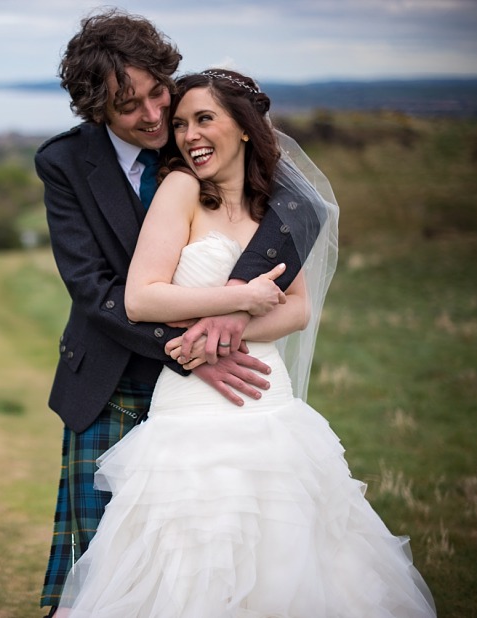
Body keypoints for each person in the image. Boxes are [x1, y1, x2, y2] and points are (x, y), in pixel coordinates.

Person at [57, 69, 436, 616]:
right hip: (191, 406)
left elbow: (298, 309)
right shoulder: (181, 188)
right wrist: (237, 299)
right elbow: (142, 298)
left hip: (267, 400)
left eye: (204, 119)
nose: (188, 135)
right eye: (182, 124)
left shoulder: (278, 210)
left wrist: (220, 331)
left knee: (290, 552)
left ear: (244, 128)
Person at [35, 9, 322, 615]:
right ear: (98, 111)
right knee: (110, 568)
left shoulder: (200, 133)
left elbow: (294, 212)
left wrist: (215, 343)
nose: (154, 115)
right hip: (112, 381)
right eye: (127, 105)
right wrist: (197, 352)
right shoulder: (64, 164)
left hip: (220, 393)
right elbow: (97, 289)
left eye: (157, 91)